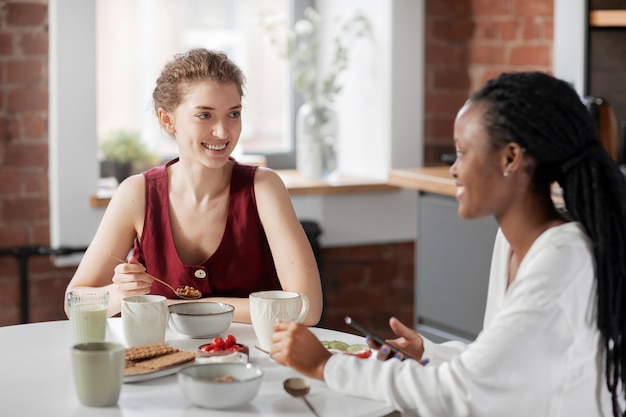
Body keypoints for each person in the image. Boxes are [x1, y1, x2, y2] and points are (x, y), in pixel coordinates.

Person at [271, 71, 626, 416]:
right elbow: (496, 364)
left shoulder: (562, 260)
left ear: (510, 158)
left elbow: (464, 391)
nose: (454, 169)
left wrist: (326, 365)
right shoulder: (511, 241)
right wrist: (428, 353)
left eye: (463, 152)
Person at [64, 48, 323, 325]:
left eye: (233, 114)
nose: (223, 132)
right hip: (163, 361)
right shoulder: (136, 194)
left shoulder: (264, 187)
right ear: (168, 119)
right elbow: (74, 303)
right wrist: (118, 293)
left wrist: (170, 306)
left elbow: (306, 308)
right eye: (205, 115)